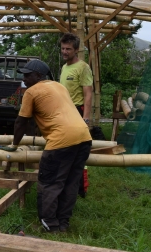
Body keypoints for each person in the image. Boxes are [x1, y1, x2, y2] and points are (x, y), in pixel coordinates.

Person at [11, 59, 92, 233]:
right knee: (70, 182)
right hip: (84, 137)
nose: (24, 78)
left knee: (50, 182)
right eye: (23, 75)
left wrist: (14, 144)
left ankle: (50, 224)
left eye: (27, 75)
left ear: (39, 76)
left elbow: (21, 123)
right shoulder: (59, 86)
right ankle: (63, 223)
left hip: (62, 141)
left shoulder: (32, 92)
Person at [59, 32, 93, 123]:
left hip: (77, 110)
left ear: (76, 50)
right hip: (65, 109)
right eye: (63, 48)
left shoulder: (83, 67)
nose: (64, 52)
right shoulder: (64, 67)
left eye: (68, 49)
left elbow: (88, 94)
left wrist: (85, 117)